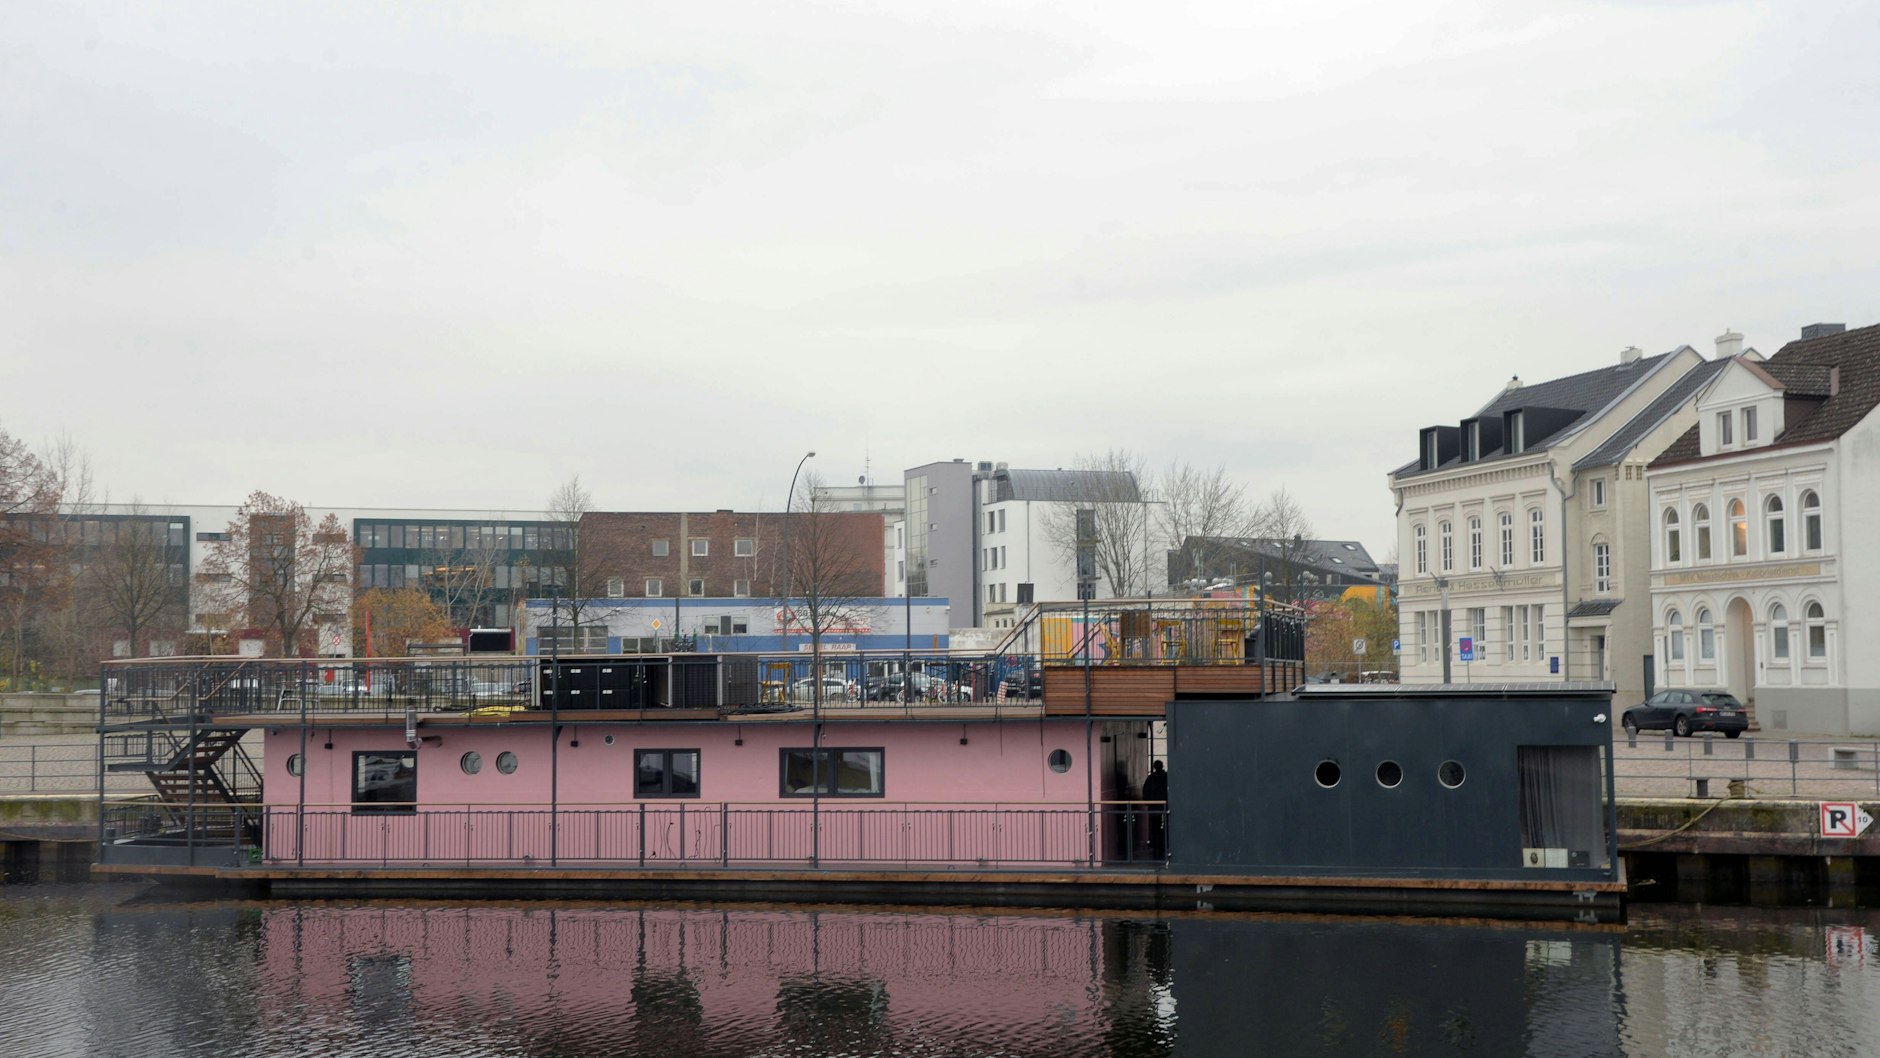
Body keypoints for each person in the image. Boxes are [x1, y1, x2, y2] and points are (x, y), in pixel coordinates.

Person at [1142, 760, 1169, 859]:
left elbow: (1145, 791)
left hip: (1154, 807)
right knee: (1167, 827)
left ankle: (1156, 848)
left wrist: (1147, 802)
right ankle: (1166, 846)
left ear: (1154, 767)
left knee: (1155, 828)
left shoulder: (1151, 778)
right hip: (1166, 807)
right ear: (1162, 766)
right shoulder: (1166, 777)